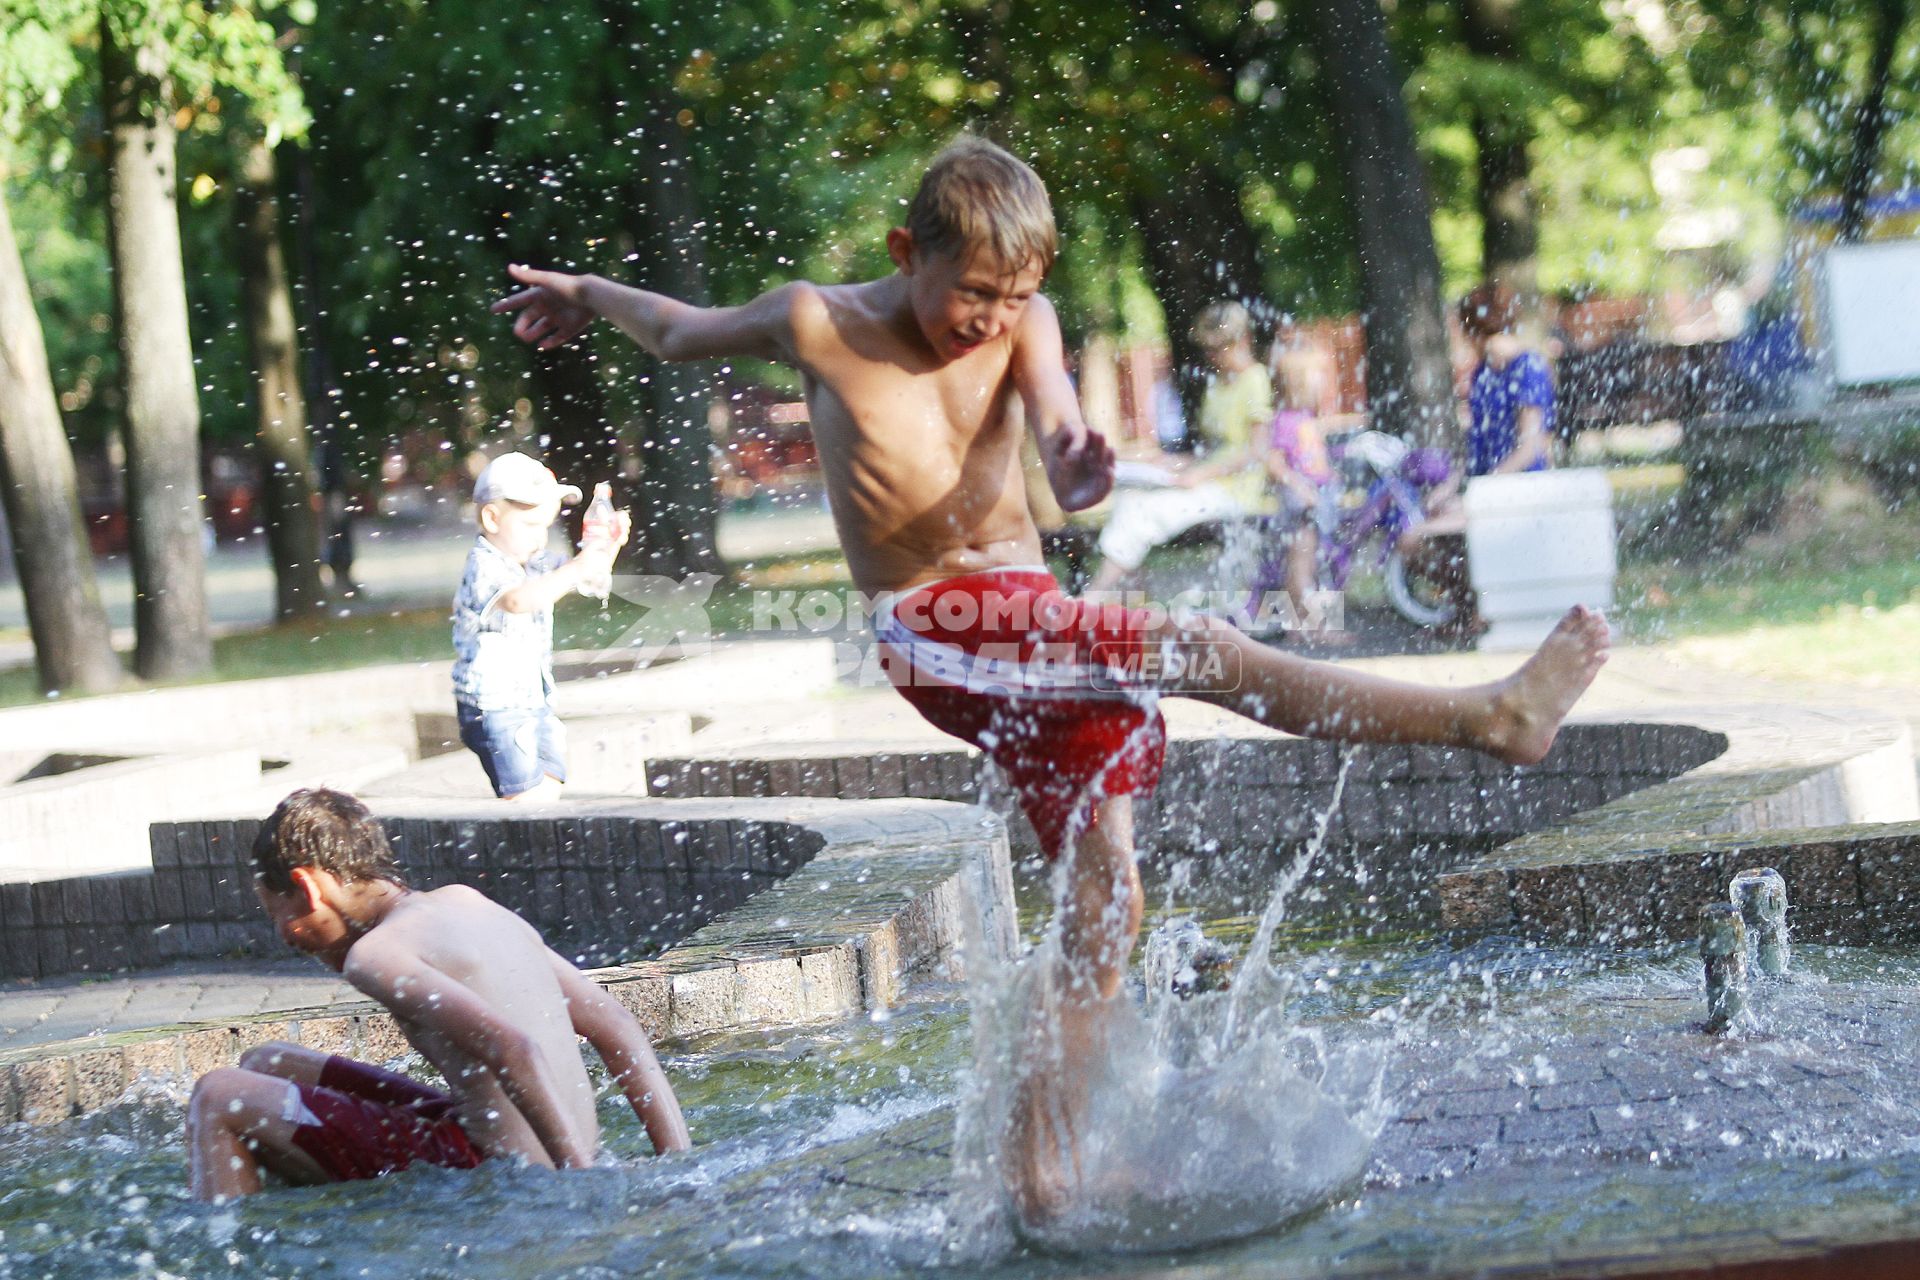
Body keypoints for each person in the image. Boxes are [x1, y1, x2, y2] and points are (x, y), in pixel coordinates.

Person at [491, 134, 1610, 1231]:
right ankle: (1491, 715)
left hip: (1035, 627)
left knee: (1105, 894)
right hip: (939, 622)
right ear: (904, 249)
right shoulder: (818, 322)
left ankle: (1046, 1179)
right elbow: (680, 329)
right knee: (1204, 645)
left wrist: (1076, 458)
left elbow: (1067, 438)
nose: (988, 316)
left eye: (1013, 292)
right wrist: (588, 291)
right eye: (970, 291)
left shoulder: (1024, 321)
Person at [186, 788, 690, 1200]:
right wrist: (678, 1167)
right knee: (265, 1061)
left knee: (218, 1095)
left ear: (309, 886)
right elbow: (617, 1025)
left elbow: (512, 1047)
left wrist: (580, 1185)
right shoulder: (468, 904)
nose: (286, 934)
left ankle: (223, 1249)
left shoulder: (375, 955)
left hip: (495, 1168)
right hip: (543, 1148)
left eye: (279, 914)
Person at [451, 452, 631, 801]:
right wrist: (577, 567)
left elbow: (587, 577)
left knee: (550, 783)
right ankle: (513, 844)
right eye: (531, 526)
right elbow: (518, 601)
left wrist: (608, 548)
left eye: (545, 527)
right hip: (493, 705)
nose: (540, 539)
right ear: (491, 518)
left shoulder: (535, 560)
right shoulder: (484, 564)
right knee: (523, 798)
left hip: (534, 699)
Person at [1396, 284, 1555, 632]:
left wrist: (1482, 491)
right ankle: (1472, 610)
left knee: (1414, 537)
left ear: (1470, 327)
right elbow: (1477, 448)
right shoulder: (1484, 371)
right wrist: (1452, 485)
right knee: (1429, 520)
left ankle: (1479, 613)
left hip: (1521, 490)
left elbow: (1531, 446)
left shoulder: (1528, 366)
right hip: (1490, 490)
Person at [1084, 300, 1272, 594]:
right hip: (1208, 482)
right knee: (1128, 498)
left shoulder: (1255, 379)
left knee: (1144, 511)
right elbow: (1214, 449)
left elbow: (1256, 451)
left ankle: (1095, 596)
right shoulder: (1217, 385)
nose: (1212, 356)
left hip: (1234, 490)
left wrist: (1201, 474)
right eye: (1208, 349)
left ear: (1242, 340)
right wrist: (1174, 462)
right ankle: (1132, 600)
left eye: (1219, 348)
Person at [1246, 347, 1340, 636]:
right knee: (1304, 567)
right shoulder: (1287, 421)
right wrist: (1301, 486)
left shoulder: (1302, 418)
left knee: (1302, 564)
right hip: (1300, 506)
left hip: (1309, 501)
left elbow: (1309, 460)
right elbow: (1274, 464)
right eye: (1318, 377)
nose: (1324, 383)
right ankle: (1321, 628)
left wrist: (1328, 475)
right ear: (1299, 383)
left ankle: (1295, 627)